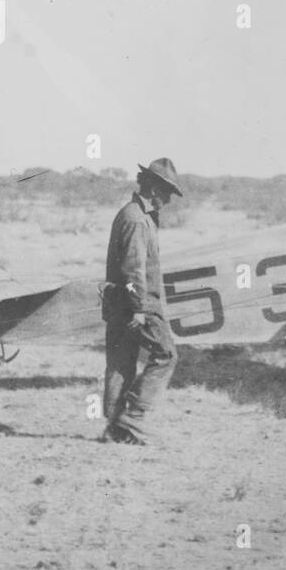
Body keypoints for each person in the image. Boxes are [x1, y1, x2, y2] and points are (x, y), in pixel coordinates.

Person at [100, 157, 183, 445]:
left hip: (119, 304)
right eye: (169, 192)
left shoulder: (133, 213)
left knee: (122, 363)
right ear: (155, 188)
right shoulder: (137, 219)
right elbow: (133, 270)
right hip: (136, 304)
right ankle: (133, 417)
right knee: (165, 355)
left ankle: (114, 429)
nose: (170, 199)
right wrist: (139, 310)